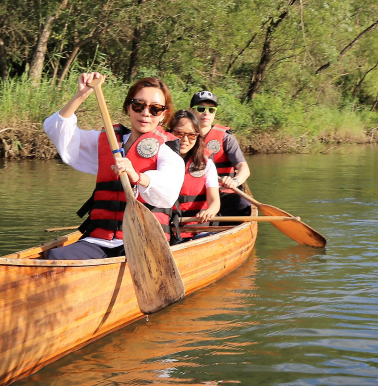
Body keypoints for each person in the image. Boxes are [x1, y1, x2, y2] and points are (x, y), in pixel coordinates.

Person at [42, 73, 182, 260]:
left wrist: (137, 175)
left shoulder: (167, 150)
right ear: (128, 108)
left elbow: (168, 191)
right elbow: (60, 133)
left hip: (145, 241)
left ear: (163, 115)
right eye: (138, 105)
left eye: (155, 109)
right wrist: (81, 95)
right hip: (100, 240)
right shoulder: (106, 142)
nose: (146, 113)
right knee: (54, 257)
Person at [189, 91, 251, 217]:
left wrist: (234, 180)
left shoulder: (226, 138)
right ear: (191, 111)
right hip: (194, 195)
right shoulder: (182, 137)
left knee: (242, 205)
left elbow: (244, 169)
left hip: (223, 192)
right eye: (201, 109)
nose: (206, 113)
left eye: (211, 110)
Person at [169, 109, 220, 240]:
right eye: (179, 134)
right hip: (166, 229)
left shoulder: (206, 164)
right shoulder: (158, 161)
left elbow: (214, 201)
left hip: (197, 230)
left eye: (192, 135)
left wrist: (209, 211)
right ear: (169, 132)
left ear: (198, 137)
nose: (185, 140)